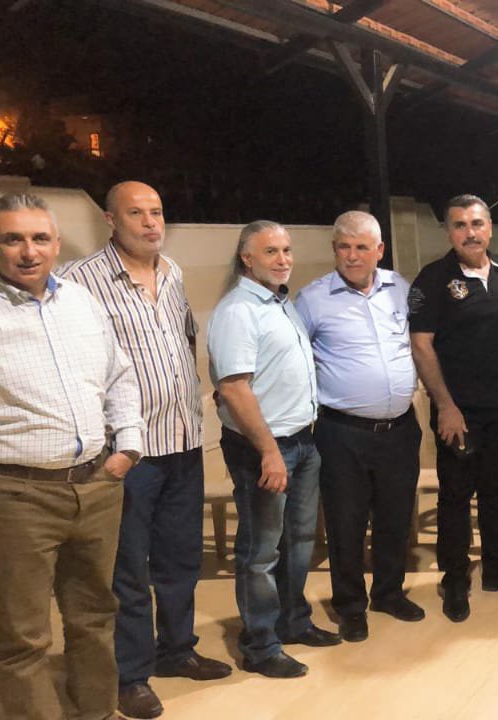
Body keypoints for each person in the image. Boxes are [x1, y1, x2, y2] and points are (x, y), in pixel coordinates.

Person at [60, 182, 230, 719]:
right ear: (111, 220)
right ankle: (130, 675)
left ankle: (177, 650)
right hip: (129, 454)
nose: (151, 222)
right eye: (136, 213)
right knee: (128, 570)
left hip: (182, 442)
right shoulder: (78, 280)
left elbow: (182, 344)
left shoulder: (172, 272)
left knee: (181, 560)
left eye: (156, 212)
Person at [0, 193, 144, 720]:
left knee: (95, 616)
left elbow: (119, 376)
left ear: (56, 244)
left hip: (96, 487)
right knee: (22, 636)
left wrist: (129, 446)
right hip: (18, 495)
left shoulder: (81, 301)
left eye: (39, 238)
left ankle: (96, 711)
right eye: (12, 239)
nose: (28, 251)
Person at [207, 220, 338, 679]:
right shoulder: (238, 311)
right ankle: (260, 645)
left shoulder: (281, 303)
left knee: (299, 541)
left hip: (301, 440)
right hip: (264, 447)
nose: (283, 259)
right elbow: (234, 388)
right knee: (261, 550)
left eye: (286, 250)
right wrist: (269, 451)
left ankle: (292, 621)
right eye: (270, 251)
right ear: (247, 258)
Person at [409, 195, 498, 622]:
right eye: (460, 225)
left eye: (477, 224)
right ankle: (454, 579)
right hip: (459, 411)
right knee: (455, 495)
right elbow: (421, 346)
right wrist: (445, 405)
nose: (470, 233)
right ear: (449, 232)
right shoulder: (434, 279)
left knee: (496, 489)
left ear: (489, 227)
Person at [295, 211, 425, 641]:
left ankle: (389, 592)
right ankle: (350, 605)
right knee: (346, 522)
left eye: (362, 247)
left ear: (379, 250)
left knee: (395, 516)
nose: (352, 256)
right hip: (342, 432)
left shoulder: (400, 288)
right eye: (344, 247)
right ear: (334, 249)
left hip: (399, 429)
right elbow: (295, 359)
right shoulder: (312, 300)